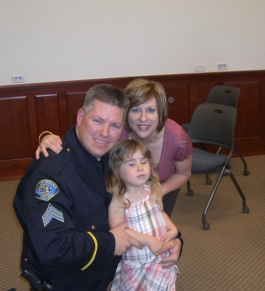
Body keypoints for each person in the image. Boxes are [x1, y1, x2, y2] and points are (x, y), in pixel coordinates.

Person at [13, 84, 182, 291]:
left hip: (113, 272)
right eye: (97, 121)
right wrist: (110, 243)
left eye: (114, 126)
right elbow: (53, 247)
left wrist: (175, 240)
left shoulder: (115, 160)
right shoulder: (51, 175)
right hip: (69, 281)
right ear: (80, 117)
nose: (104, 133)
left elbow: (143, 204)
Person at [37, 78, 193, 217]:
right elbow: (86, 132)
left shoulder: (177, 138)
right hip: (120, 193)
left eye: (151, 110)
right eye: (136, 110)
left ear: (161, 113)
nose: (143, 118)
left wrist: (158, 191)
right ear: (125, 114)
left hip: (162, 190)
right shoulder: (117, 129)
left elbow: (184, 173)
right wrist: (48, 138)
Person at [107, 139, 179, 291]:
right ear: (118, 173)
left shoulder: (152, 191)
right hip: (138, 263)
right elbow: (120, 231)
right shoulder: (119, 201)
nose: (140, 168)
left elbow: (160, 214)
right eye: (132, 164)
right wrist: (149, 241)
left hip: (158, 257)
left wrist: (173, 229)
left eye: (144, 162)